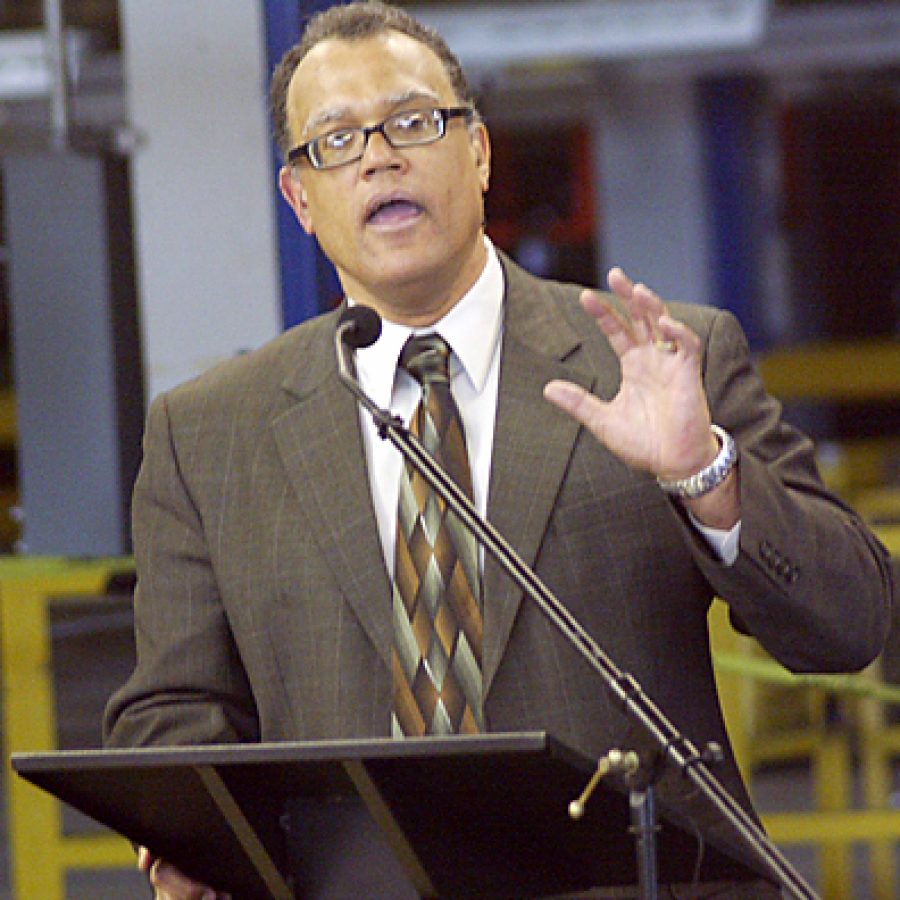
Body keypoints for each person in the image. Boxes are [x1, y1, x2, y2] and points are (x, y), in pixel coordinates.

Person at [103, 2, 893, 897]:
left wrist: (704, 477)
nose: (378, 155)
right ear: (300, 199)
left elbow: (849, 624)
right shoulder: (208, 433)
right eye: (335, 141)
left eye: (412, 122)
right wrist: (200, 838)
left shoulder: (657, 361)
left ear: (478, 152)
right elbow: (174, 711)